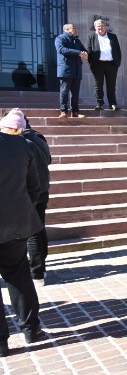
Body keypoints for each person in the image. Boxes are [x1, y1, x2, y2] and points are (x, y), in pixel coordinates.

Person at [0, 108, 47, 357]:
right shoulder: (21, 145)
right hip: (16, 224)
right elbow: (34, 188)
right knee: (18, 276)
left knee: (18, 275)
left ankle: (1, 344)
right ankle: (31, 329)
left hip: (14, 223)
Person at [21, 113, 51, 286]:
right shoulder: (39, 137)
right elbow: (49, 159)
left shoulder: (22, 143)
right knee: (39, 229)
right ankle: (41, 266)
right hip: (42, 189)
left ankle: (37, 272)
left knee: (33, 233)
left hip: (30, 192)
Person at [86, 19, 122, 111]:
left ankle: (112, 104)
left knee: (111, 85)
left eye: (102, 26)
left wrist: (117, 63)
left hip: (111, 64)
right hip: (97, 65)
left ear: (105, 26)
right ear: (95, 27)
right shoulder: (91, 36)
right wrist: (91, 63)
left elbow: (118, 51)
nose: (100, 28)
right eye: (98, 26)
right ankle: (99, 103)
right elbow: (88, 51)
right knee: (98, 85)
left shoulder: (113, 37)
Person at [55, 23, 89, 118]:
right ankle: (63, 111)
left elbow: (83, 50)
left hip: (77, 69)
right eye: (74, 28)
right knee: (64, 91)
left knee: (75, 92)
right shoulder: (60, 38)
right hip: (66, 69)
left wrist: (85, 53)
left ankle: (75, 112)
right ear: (67, 30)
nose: (76, 30)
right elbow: (61, 50)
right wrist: (78, 53)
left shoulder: (77, 40)